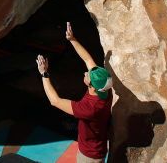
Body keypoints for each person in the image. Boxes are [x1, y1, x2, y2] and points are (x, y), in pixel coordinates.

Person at [36, 22, 113, 162]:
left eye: (88, 75)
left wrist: (44, 74)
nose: (85, 73)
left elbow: (55, 101)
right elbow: (88, 59)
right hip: (98, 145)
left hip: (89, 156)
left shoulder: (90, 109)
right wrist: (72, 39)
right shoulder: (105, 89)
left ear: (92, 86)